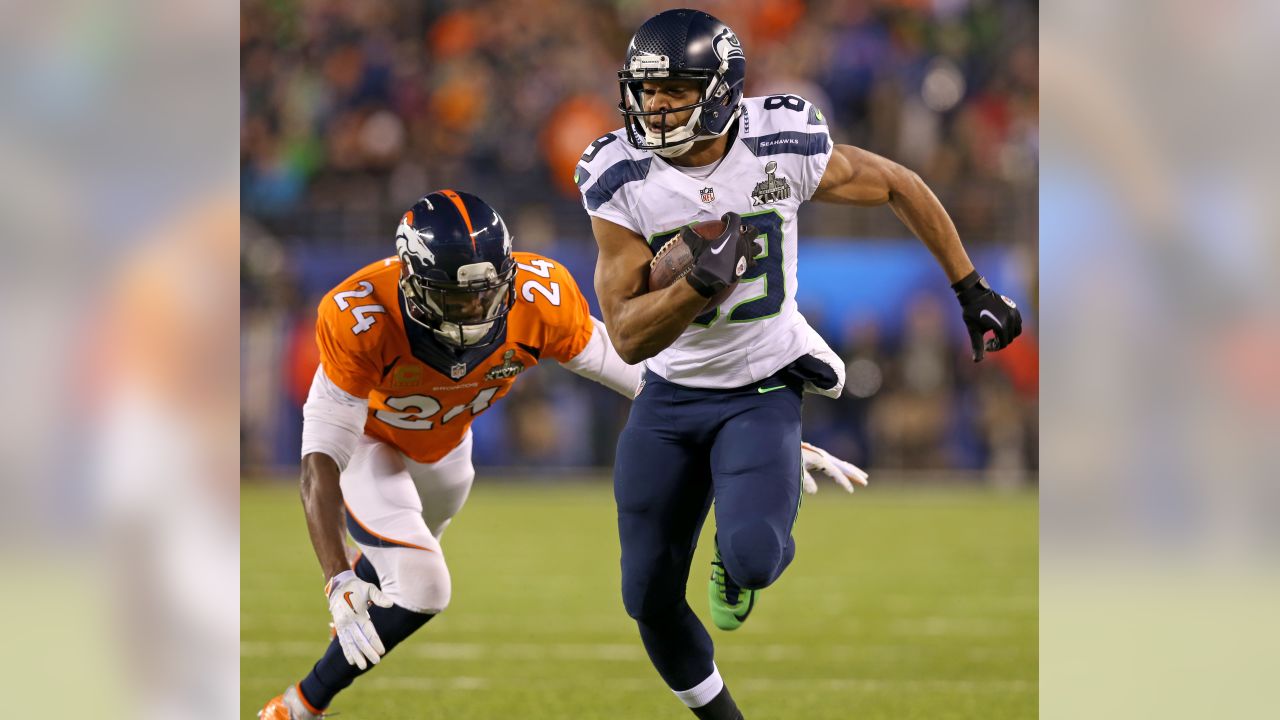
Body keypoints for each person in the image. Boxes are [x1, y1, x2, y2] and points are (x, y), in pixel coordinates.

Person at [257, 189, 864, 719]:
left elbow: (632, 370)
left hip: (448, 455)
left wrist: (766, 429)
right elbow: (321, 459)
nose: (475, 312)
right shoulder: (359, 313)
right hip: (373, 446)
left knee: (388, 584)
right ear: (414, 283)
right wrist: (334, 575)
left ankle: (316, 675)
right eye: (455, 298)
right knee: (421, 587)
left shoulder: (536, 295)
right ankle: (299, 705)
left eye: (486, 294)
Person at [577, 9, 1023, 719]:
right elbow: (628, 337)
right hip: (670, 393)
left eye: (675, 91)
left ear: (721, 91)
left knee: (752, 556)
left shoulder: (779, 140)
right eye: (646, 90)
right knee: (648, 600)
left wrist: (971, 289)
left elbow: (898, 182)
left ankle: (741, 556)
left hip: (762, 383)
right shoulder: (617, 171)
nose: (655, 106)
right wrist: (697, 285)